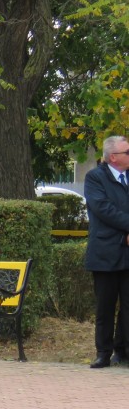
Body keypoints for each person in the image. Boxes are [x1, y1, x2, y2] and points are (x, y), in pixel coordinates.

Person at [84, 136, 129, 369]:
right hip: (105, 251)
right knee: (105, 306)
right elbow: (103, 209)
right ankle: (103, 352)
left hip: (127, 252)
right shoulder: (95, 178)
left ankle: (123, 351)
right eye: (127, 152)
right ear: (114, 157)